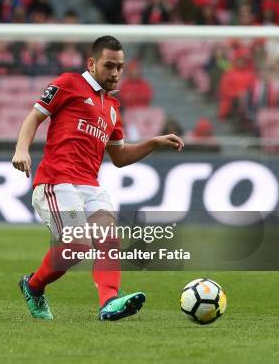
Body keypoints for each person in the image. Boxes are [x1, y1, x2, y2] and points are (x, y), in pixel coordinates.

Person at [12, 35, 184, 321]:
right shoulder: (68, 84)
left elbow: (120, 157)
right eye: (109, 66)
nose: (115, 73)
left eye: (120, 67)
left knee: (108, 239)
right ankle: (33, 286)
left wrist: (153, 143)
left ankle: (109, 302)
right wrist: (21, 149)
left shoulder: (113, 109)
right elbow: (34, 117)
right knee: (78, 246)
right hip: (56, 180)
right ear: (91, 64)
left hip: (90, 184)